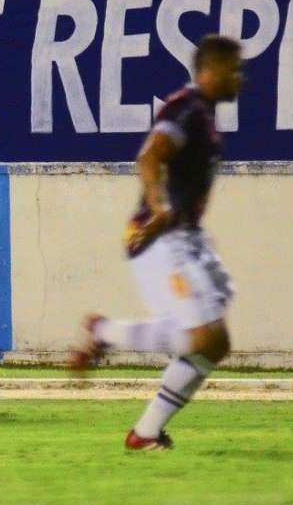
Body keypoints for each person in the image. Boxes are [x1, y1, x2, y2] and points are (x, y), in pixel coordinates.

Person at [70, 35, 243, 450]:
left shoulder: (202, 114)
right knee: (204, 339)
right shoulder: (187, 109)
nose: (240, 79)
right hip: (160, 237)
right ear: (211, 69)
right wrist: (159, 206)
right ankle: (107, 332)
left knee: (213, 344)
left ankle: (145, 433)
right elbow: (149, 156)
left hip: (182, 236)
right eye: (234, 69)